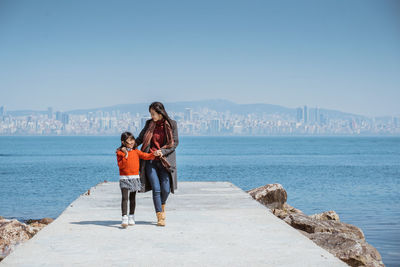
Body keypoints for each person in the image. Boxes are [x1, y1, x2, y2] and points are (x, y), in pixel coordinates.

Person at [135, 102, 179, 227]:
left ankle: (162, 204)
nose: (152, 116)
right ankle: (160, 216)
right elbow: (140, 138)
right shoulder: (149, 124)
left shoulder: (172, 124)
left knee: (166, 189)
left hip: (165, 161)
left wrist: (163, 151)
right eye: (151, 114)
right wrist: (127, 145)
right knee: (156, 188)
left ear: (160, 113)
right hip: (150, 160)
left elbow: (175, 143)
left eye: (153, 114)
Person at [116, 131, 155, 228]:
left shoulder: (136, 151)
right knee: (124, 198)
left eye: (132, 140)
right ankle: (124, 218)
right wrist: (125, 155)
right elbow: (121, 166)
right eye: (129, 141)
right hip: (124, 178)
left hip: (134, 178)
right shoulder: (119, 152)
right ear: (123, 142)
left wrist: (155, 154)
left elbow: (146, 156)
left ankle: (131, 217)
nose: (132, 142)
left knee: (132, 199)